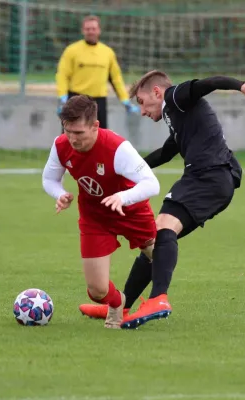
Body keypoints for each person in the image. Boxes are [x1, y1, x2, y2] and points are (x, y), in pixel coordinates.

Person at [79, 71, 245, 329]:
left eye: (141, 101)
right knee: (155, 237)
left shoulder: (176, 97)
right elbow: (164, 153)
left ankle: (158, 298)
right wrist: (123, 169)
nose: (142, 111)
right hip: (208, 179)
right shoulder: (177, 117)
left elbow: (210, 83)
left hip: (210, 176)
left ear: (157, 93)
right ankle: (120, 306)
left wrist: (244, 86)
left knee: (161, 231)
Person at [42, 95, 160, 329]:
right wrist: (60, 195)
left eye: (79, 133)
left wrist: (122, 197)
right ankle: (118, 303)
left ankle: (157, 304)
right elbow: (49, 179)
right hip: (94, 217)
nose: (72, 139)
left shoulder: (117, 148)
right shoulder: (61, 145)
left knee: (161, 258)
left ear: (95, 126)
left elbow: (151, 184)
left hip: (131, 212)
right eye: (68, 131)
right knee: (96, 291)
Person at [55, 15, 138, 129]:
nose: (91, 32)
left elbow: (116, 79)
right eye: (87, 29)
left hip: (98, 102)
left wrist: (125, 101)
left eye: (93, 29)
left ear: (99, 30)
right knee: (72, 135)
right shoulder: (71, 51)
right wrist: (62, 98)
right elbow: (63, 75)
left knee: (100, 137)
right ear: (83, 30)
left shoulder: (107, 52)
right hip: (75, 99)